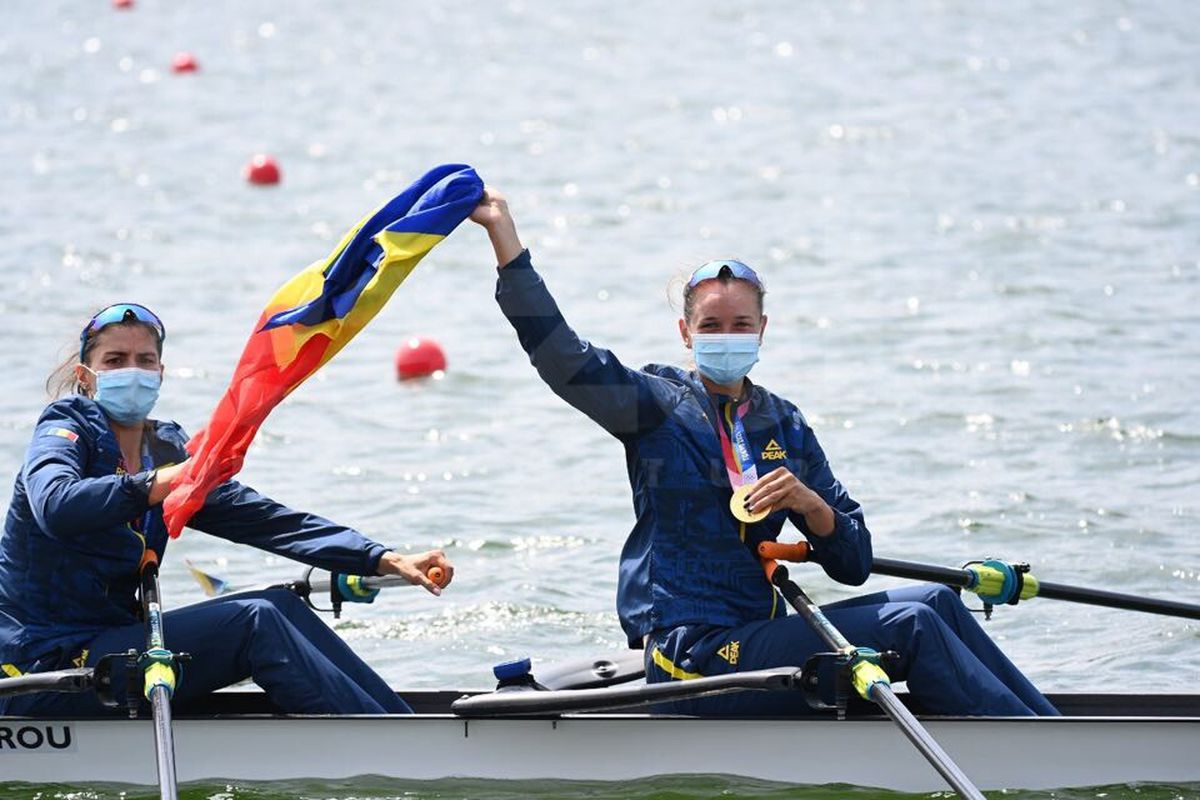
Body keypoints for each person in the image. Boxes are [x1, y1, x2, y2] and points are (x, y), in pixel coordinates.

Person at [470, 189, 1057, 717]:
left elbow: (852, 563)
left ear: (763, 328)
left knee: (936, 600)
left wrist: (810, 507)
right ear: (685, 333)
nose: (727, 336)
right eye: (712, 325)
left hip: (758, 632)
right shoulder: (653, 407)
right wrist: (507, 243)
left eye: (741, 324)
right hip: (691, 656)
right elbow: (561, 357)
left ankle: (1047, 732)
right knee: (915, 623)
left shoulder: (785, 422)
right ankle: (1032, 755)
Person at [0, 303, 453, 716]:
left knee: (279, 605)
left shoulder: (163, 447)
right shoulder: (64, 428)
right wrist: (170, 480)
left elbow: (261, 519)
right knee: (256, 622)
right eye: (115, 361)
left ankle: (401, 726)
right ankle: (390, 750)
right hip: (42, 669)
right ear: (86, 377)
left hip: (109, 651)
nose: (132, 371)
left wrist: (380, 557)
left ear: (161, 372)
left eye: (145, 361)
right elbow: (55, 504)